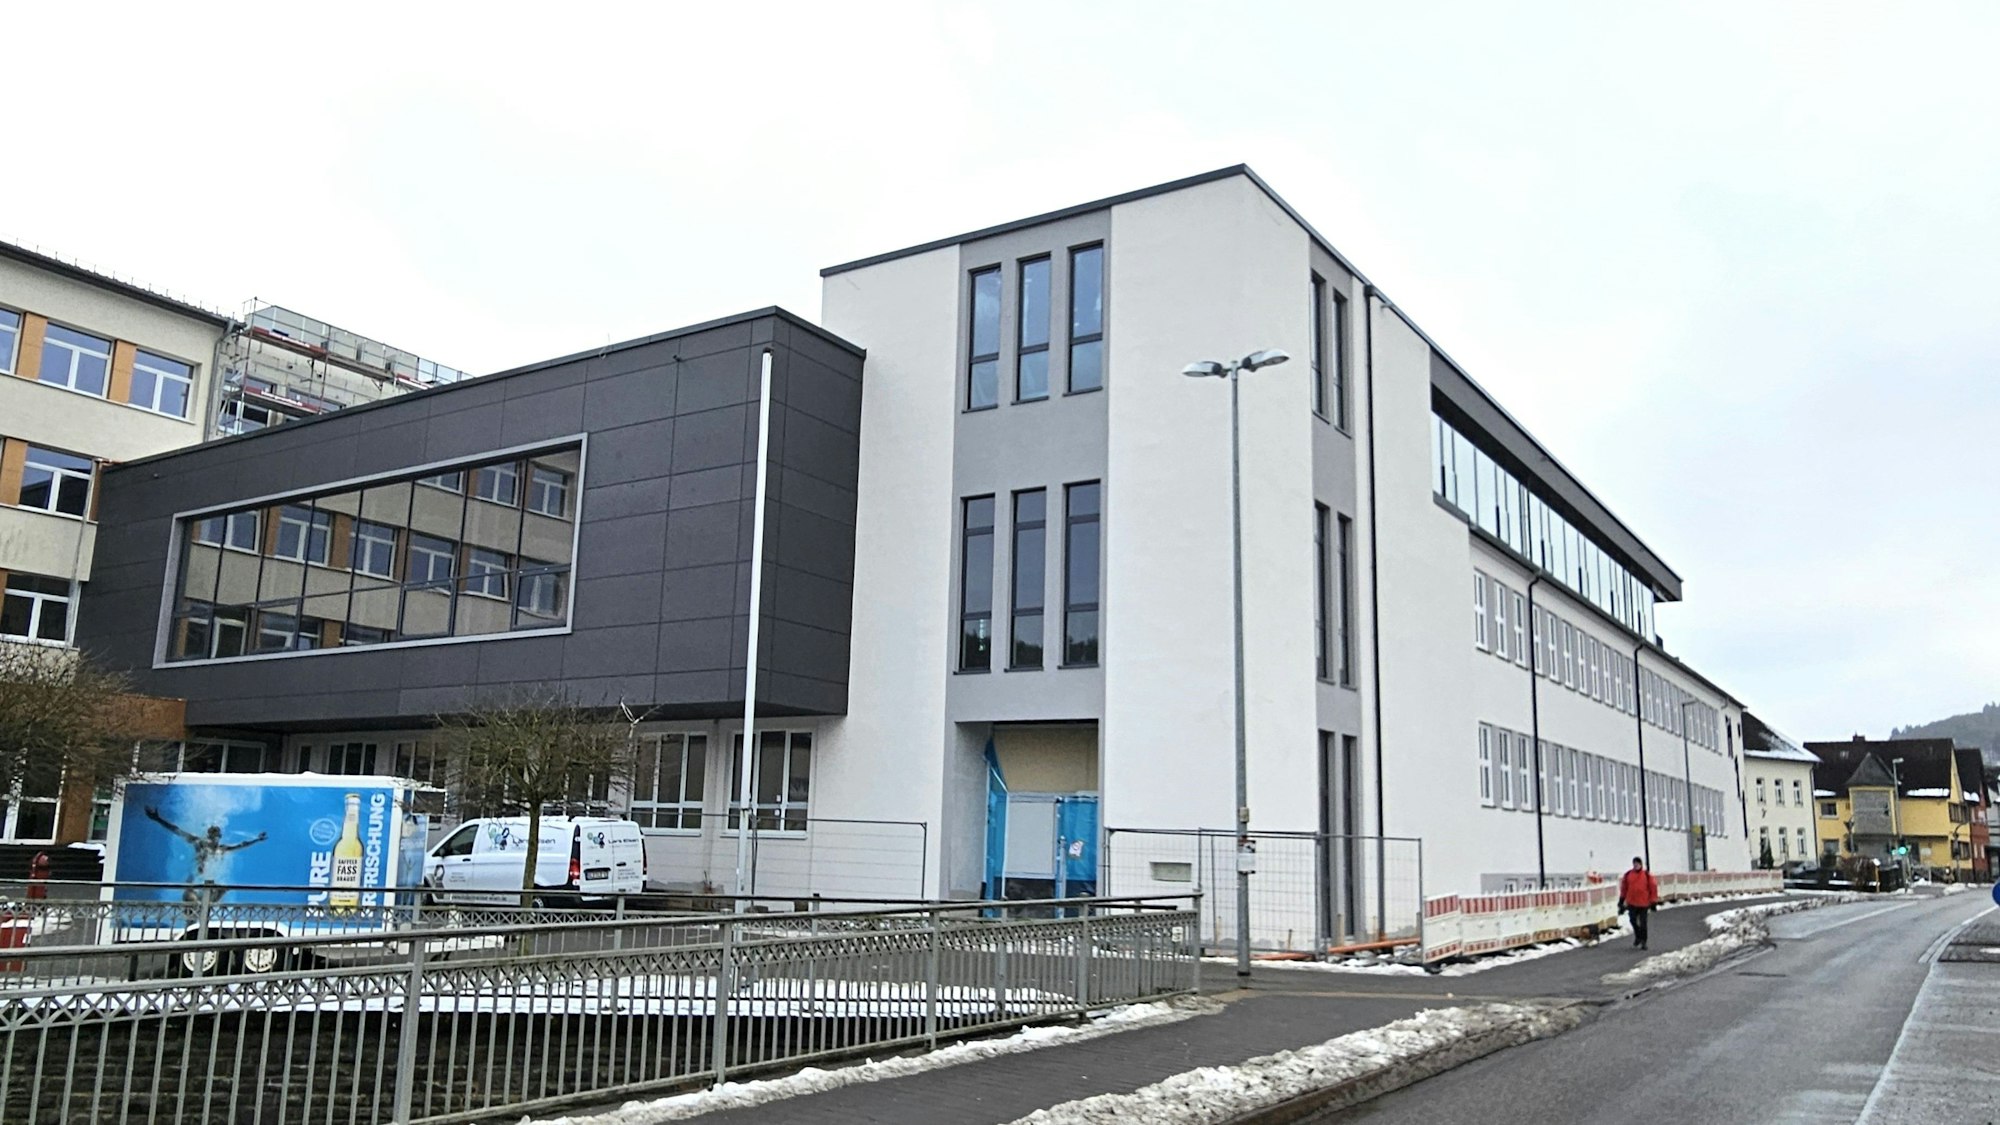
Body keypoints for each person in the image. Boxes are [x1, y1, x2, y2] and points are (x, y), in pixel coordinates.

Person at [1618, 856, 1660, 950]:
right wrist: (1621, 901)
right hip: (1632, 903)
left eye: (1638, 864)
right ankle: (1638, 936)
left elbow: (1653, 888)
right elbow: (1624, 888)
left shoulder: (1646, 875)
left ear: (1641, 864)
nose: (1636, 865)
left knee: (1643, 923)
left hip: (1643, 904)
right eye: (1635, 864)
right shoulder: (1628, 875)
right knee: (1633, 920)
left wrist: (1653, 902)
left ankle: (1643, 942)